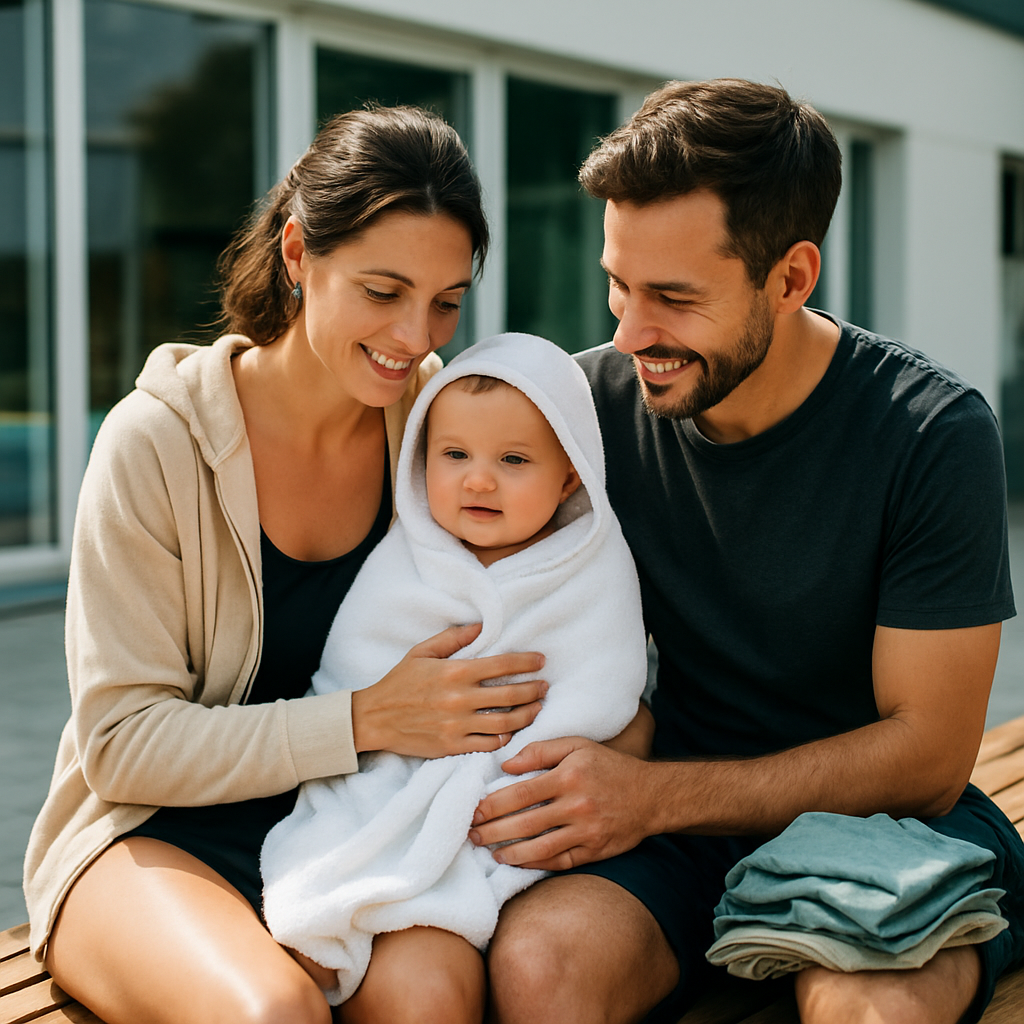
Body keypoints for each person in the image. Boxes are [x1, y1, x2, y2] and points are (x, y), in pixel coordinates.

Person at [471, 79, 1024, 1024]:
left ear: (792, 277)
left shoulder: (932, 431)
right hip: (670, 828)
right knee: (543, 969)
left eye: (675, 299)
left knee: (868, 1010)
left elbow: (930, 754)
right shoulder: (587, 410)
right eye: (618, 286)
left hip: (889, 826)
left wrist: (650, 798)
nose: (630, 333)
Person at [22, 106, 552, 1024]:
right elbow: (121, 747)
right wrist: (363, 720)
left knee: (432, 1003)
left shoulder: (431, 429)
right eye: (383, 291)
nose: (415, 334)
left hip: (347, 826)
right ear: (299, 254)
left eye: (445, 301)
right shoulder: (154, 442)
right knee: (272, 1016)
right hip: (148, 836)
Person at [260, 332, 648, 1015]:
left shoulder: (588, 565)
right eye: (455, 455)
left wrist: (516, 765)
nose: (478, 479)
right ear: (420, 461)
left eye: (514, 460)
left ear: (569, 478)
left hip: (518, 814)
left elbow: (604, 688)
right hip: (389, 789)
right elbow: (351, 678)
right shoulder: (408, 557)